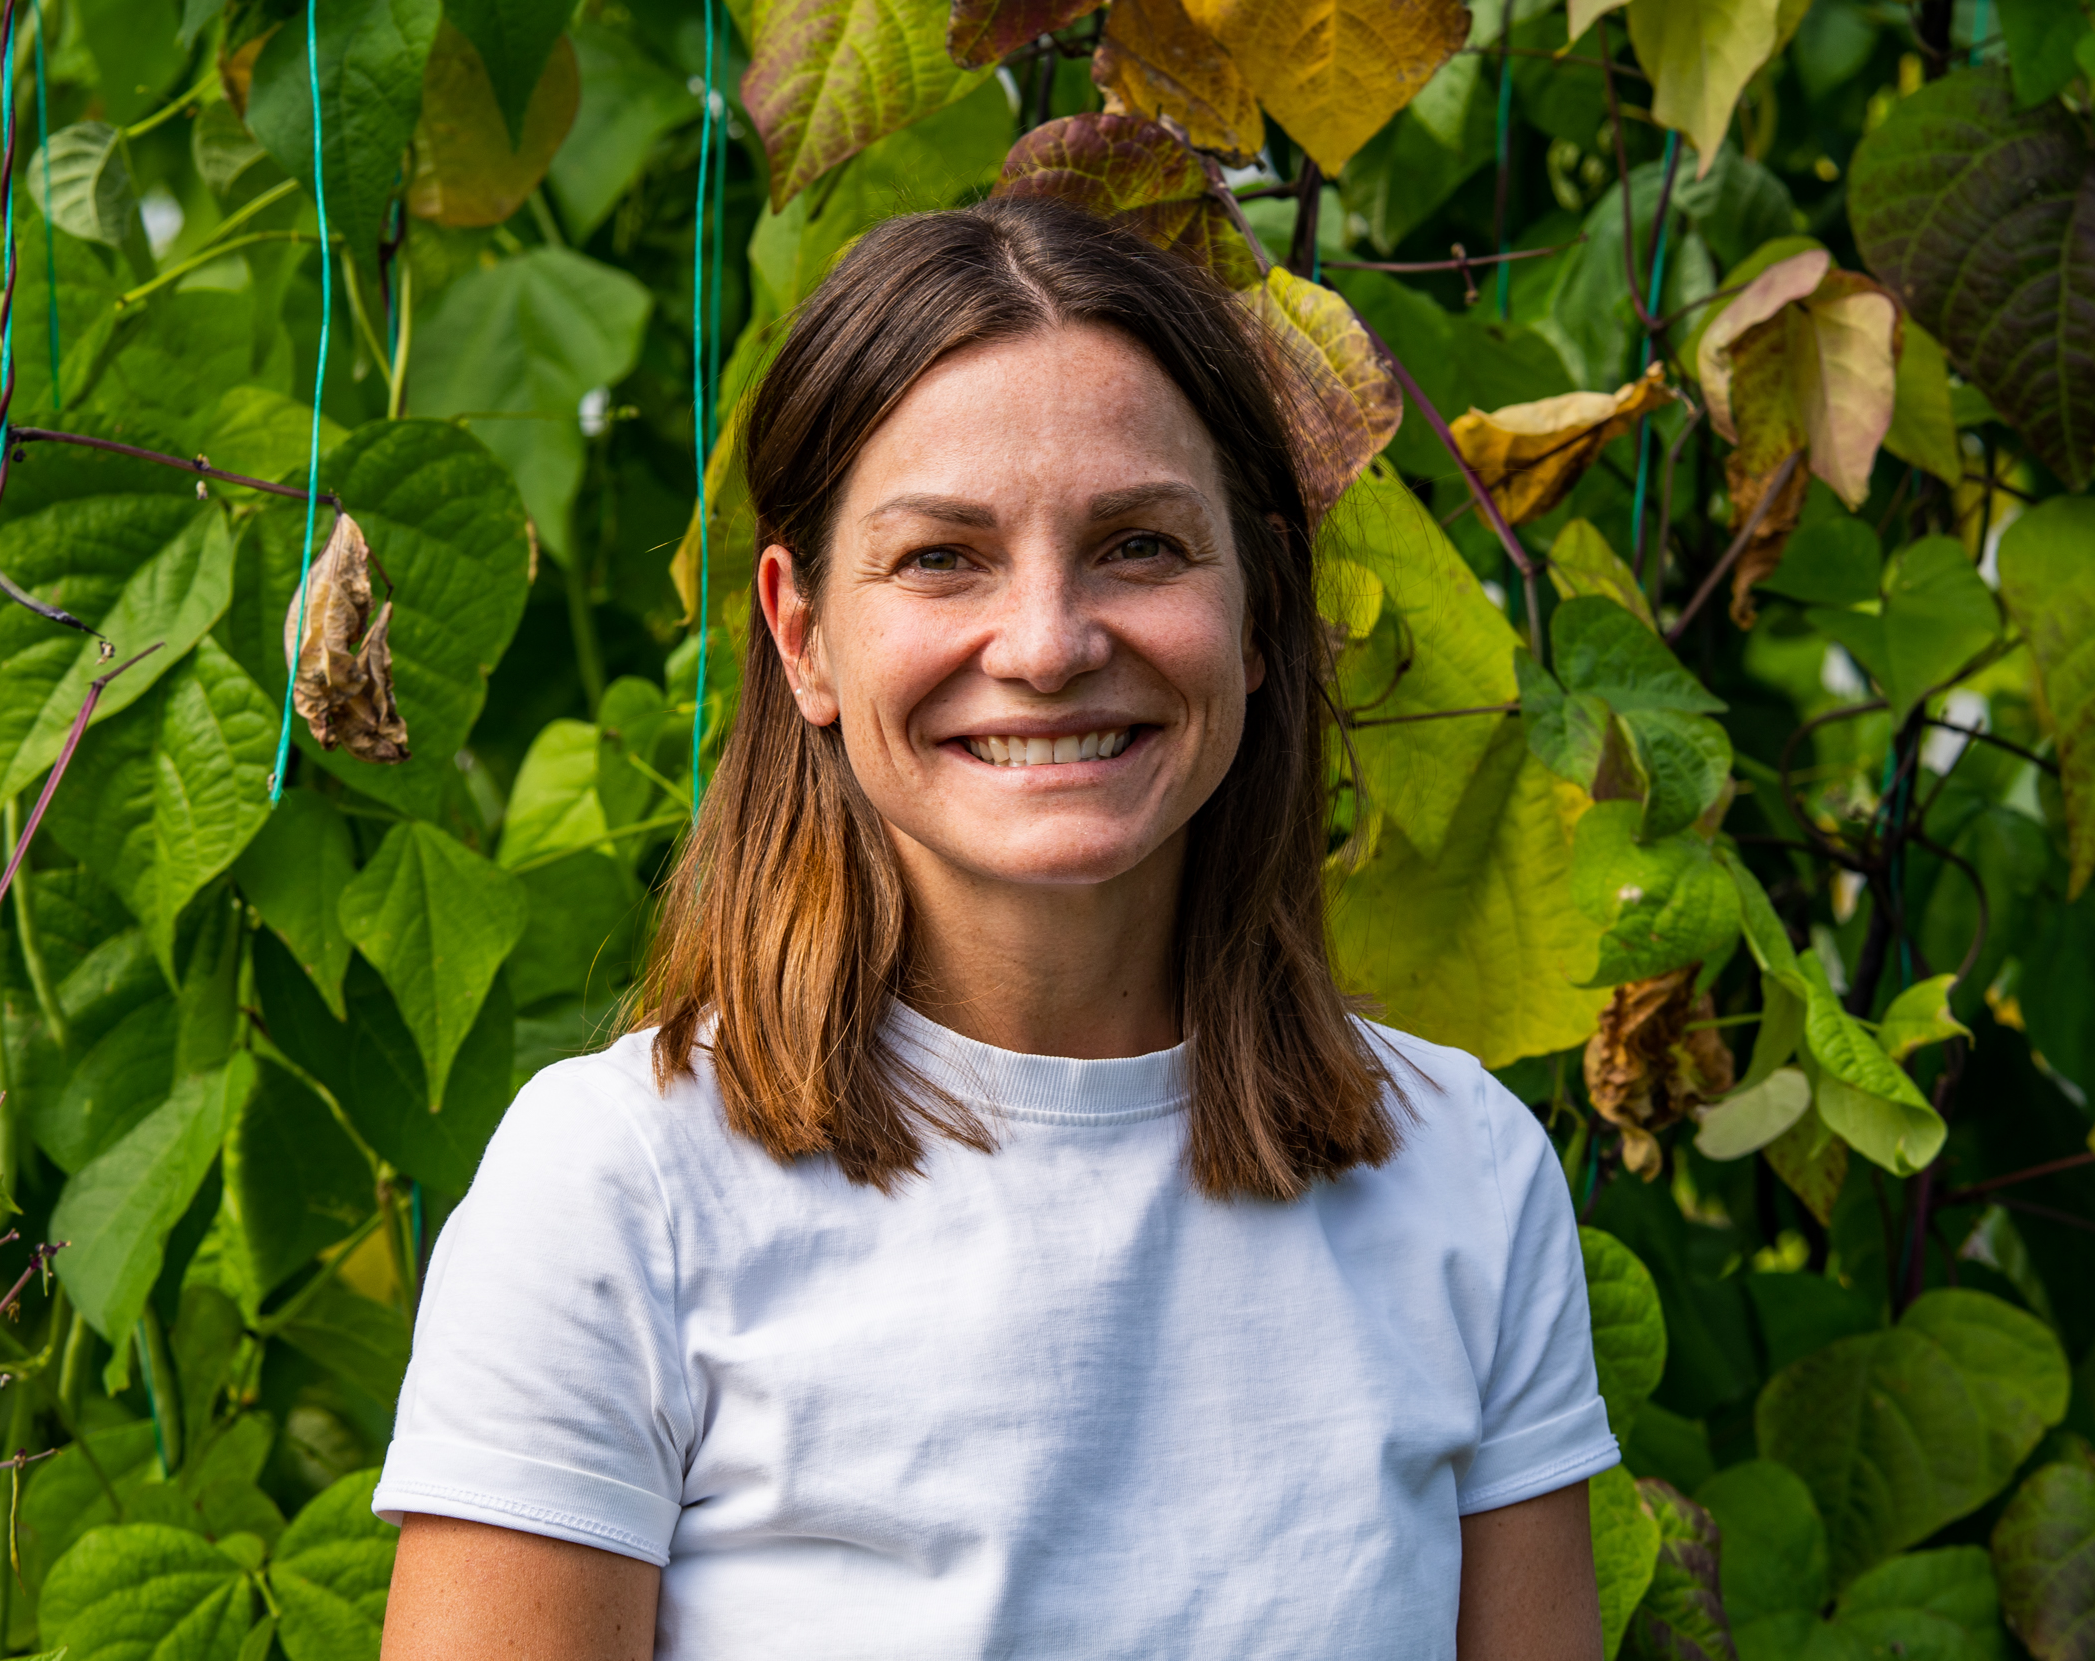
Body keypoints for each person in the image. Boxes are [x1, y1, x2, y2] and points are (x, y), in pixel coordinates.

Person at [374, 197, 1616, 1660]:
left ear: (1263, 607)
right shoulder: (618, 1195)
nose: (1046, 644)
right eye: (942, 558)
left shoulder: (1464, 1172)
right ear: (802, 632)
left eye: (1141, 545)